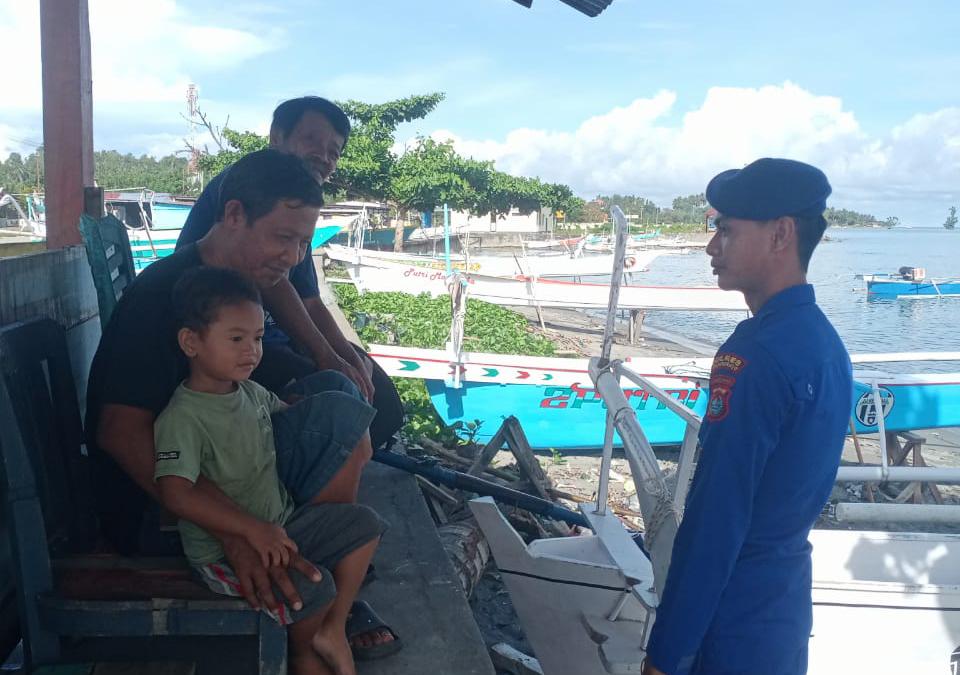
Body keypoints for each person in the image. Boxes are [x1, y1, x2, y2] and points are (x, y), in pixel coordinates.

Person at [87, 149, 398, 661]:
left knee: (336, 399)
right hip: (160, 512)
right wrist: (232, 532)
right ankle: (310, 582)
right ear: (234, 215)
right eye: (282, 237)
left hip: (220, 478)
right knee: (337, 421)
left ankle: (314, 567)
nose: (293, 257)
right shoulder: (165, 297)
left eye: (302, 243)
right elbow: (119, 434)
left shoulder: (235, 286)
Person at [642, 158, 853, 675]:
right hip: (781, 614)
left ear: (780, 234)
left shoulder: (755, 355)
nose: (712, 247)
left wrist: (666, 654)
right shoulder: (825, 344)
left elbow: (717, 521)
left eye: (727, 230)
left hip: (730, 623)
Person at [155, 265, 385, 675]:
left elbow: (290, 418)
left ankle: (331, 630)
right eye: (237, 339)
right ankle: (301, 653)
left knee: (364, 525)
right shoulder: (183, 417)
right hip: (224, 555)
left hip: (281, 526)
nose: (252, 351)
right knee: (316, 588)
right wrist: (250, 529)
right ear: (191, 342)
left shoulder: (250, 392)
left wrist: (333, 411)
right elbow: (176, 492)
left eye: (258, 338)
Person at [176, 96, 403, 451]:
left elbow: (310, 299)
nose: (323, 157)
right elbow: (274, 284)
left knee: (380, 400)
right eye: (311, 140)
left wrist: (347, 355)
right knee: (351, 402)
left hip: (272, 335)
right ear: (276, 138)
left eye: (333, 152)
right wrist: (327, 357)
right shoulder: (248, 190)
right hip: (231, 340)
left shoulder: (298, 205)